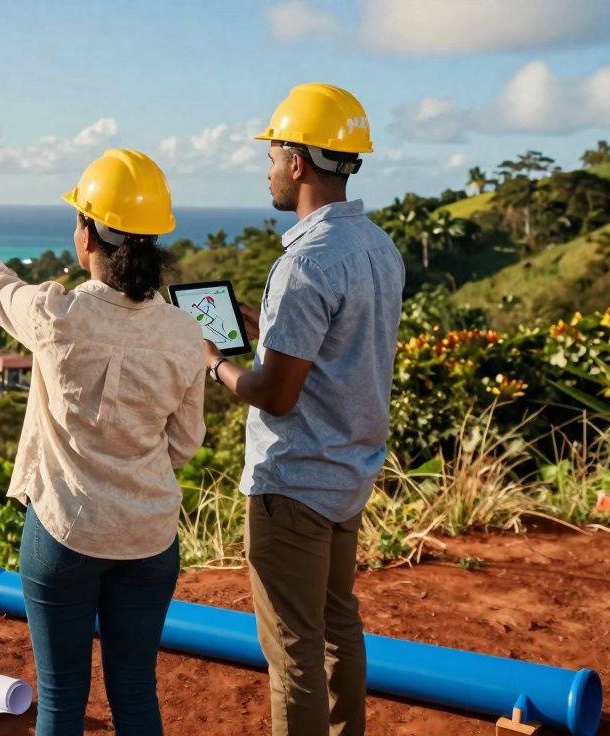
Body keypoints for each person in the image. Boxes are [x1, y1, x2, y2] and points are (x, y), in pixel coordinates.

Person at [0, 149, 206, 735]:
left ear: (87, 236)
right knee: (136, 695)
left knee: (61, 703)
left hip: (65, 530)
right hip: (148, 538)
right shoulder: (187, 335)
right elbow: (184, 443)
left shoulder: (55, 314)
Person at [204, 83, 404, 736]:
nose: (266, 168)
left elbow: (275, 395)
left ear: (297, 161)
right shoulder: (378, 248)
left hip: (294, 482)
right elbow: (337, 350)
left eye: (272, 153)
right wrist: (264, 329)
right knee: (338, 625)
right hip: (348, 474)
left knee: (293, 651)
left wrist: (215, 361)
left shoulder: (307, 262)